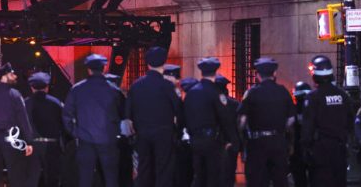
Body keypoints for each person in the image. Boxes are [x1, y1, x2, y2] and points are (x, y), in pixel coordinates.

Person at [62, 54, 124, 187]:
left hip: (85, 140)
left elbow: (67, 115)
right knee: (111, 178)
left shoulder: (77, 89)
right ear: (104, 68)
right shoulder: (114, 90)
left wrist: (75, 133)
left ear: (88, 69)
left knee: (85, 178)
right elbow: (123, 113)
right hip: (108, 140)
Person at [126, 47, 182, 187]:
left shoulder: (136, 85)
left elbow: (128, 112)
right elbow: (179, 110)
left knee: (144, 168)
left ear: (147, 64)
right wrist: (178, 131)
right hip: (164, 133)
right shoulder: (167, 86)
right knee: (164, 169)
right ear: (163, 63)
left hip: (142, 133)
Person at [238, 58, 295, 187]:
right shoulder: (283, 92)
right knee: (280, 180)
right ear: (274, 73)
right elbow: (291, 121)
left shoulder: (251, 93)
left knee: (257, 180)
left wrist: (243, 143)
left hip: (257, 144)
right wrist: (288, 141)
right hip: (278, 142)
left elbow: (242, 122)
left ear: (257, 75)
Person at [183, 57, 239, 187]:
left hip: (195, 139)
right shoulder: (216, 93)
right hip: (213, 141)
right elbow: (224, 118)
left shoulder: (191, 93)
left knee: (199, 175)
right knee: (214, 176)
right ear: (215, 72)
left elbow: (185, 115)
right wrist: (232, 140)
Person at [301, 55, 353, 187]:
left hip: (320, 151)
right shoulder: (343, 95)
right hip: (340, 149)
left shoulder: (313, 97)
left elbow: (308, 127)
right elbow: (350, 122)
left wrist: (305, 150)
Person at [0, 63, 34, 187]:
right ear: (4, 76)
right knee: (16, 174)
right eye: (12, 74)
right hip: (11, 138)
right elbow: (23, 119)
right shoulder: (14, 94)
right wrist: (29, 141)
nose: (15, 77)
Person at [25, 72, 64, 187]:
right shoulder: (56, 103)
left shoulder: (24, 103)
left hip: (31, 145)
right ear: (47, 87)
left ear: (31, 87)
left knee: (31, 177)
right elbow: (64, 123)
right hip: (52, 145)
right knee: (52, 178)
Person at [214, 75, 240, 187]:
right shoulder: (235, 104)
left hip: (215, 143)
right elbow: (240, 124)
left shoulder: (210, 103)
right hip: (231, 143)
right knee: (229, 174)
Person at [290, 82, 312, 187]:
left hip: (297, 148)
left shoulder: (292, 110)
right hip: (314, 147)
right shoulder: (315, 108)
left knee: (299, 178)